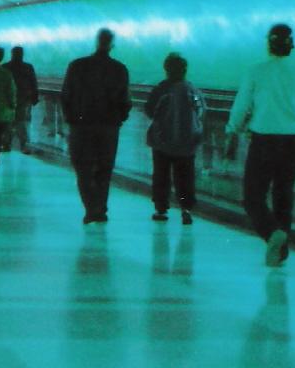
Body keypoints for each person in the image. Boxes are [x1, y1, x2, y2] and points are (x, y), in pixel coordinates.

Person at [226, 24, 295, 267]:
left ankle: (272, 233)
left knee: (252, 197)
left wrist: (232, 131)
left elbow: (241, 106)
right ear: (292, 45)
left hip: (264, 141)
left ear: (269, 44)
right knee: (284, 195)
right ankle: (281, 252)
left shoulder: (255, 71)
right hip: (294, 142)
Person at [60, 28, 131, 224]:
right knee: (104, 168)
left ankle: (92, 207)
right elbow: (125, 101)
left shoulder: (77, 66)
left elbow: (65, 95)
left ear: (96, 41)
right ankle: (99, 206)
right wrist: (119, 118)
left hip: (81, 126)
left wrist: (71, 118)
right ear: (112, 44)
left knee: (83, 168)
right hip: (109, 127)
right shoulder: (119, 69)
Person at [143, 53, 205, 224]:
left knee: (161, 175)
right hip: (187, 143)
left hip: (162, 141)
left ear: (166, 69)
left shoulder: (161, 89)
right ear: (185, 70)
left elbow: (150, 110)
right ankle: (186, 209)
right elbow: (200, 111)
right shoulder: (193, 90)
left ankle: (161, 209)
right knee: (185, 177)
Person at [5, 46, 39, 154]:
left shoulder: (5, 67)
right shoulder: (28, 67)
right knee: (21, 122)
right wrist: (34, 98)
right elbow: (34, 83)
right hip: (23, 99)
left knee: (8, 122)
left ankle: (7, 144)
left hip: (8, 100)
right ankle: (23, 145)